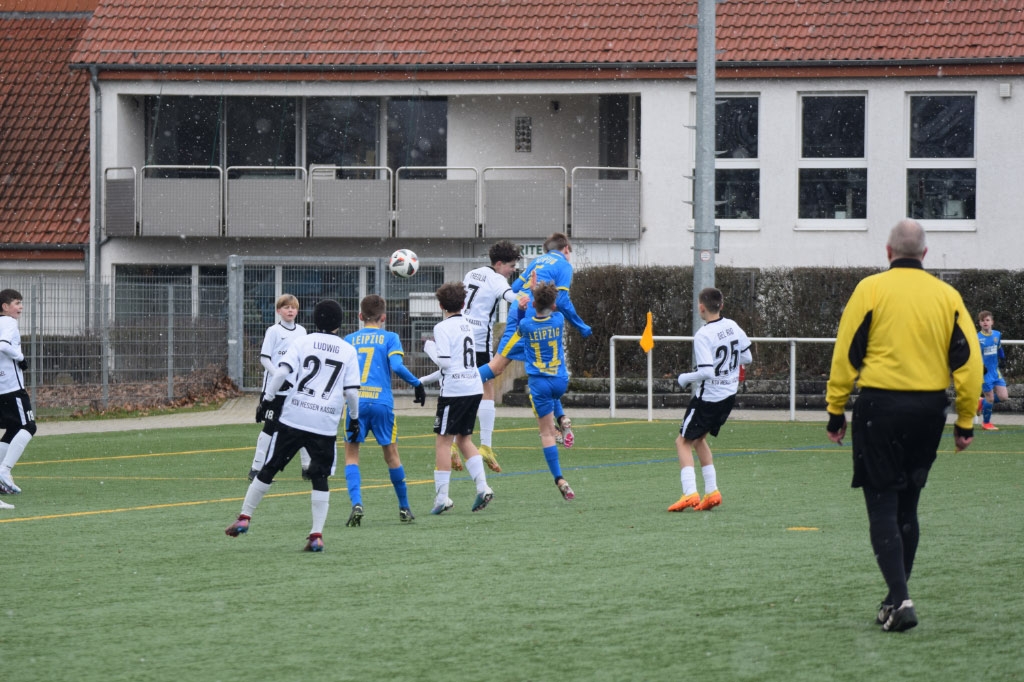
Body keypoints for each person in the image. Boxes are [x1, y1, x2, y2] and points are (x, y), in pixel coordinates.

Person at [825, 219, 982, 632]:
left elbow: (846, 354)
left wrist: (835, 410)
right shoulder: (947, 296)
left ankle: (901, 599)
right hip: (928, 410)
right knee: (908, 507)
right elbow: (968, 364)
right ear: (924, 254)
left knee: (882, 504)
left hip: (880, 407)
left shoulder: (870, 289)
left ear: (888, 252)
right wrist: (965, 421)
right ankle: (895, 600)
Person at [225, 299, 361, 552]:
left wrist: (266, 400)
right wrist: (354, 418)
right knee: (319, 477)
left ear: (315, 320)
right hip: (325, 423)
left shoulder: (303, 341)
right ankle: (316, 535)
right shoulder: (348, 350)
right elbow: (352, 392)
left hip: (294, 416)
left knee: (270, 467)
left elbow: (281, 373)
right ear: (340, 323)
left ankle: (245, 517)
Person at [483, 232, 592, 448]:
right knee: (540, 371)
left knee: (502, 368)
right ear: (566, 249)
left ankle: (460, 380)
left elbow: (515, 288)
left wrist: (529, 293)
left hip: (524, 312)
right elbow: (562, 300)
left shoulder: (538, 261)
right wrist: (581, 326)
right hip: (540, 317)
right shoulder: (564, 265)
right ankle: (559, 421)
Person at [341, 295, 427, 526]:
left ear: (360, 316)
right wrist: (416, 384)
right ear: (384, 317)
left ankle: (357, 503)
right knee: (391, 456)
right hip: (381, 403)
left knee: (352, 455)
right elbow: (396, 366)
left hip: (356, 403)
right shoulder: (390, 337)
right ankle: (404, 507)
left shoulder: (349, 340)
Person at [667, 287, 752, 514]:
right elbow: (747, 357)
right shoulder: (732, 325)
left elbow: (706, 372)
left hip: (709, 398)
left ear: (701, 307)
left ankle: (689, 493)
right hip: (728, 396)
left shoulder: (703, 335)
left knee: (682, 442)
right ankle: (712, 491)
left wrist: (685, 378)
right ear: (721, 305)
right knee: (699, 440)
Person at [422, 281, 494, 515]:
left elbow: (444, 362)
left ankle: (442, 498)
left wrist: (429, 348)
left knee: (443, 442)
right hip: (473, 387)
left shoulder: (442, 327)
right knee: (464, 439)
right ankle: (483, 487)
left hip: (455, 391)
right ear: (463, 304)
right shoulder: (468, 325)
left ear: (441, 305)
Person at [451, 239, 522, 473]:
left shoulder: (472, 273)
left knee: (461, 386)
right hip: (479, 339)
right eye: (510, 266)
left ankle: (452, 442)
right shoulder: (497, 279)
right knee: (485, 386)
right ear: (499, 263)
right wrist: (529, 296)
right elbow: (511, 297)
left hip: (460, 334)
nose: (512, 271)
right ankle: (486, 445)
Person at [503, 281, 576, 500]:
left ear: (533, 304)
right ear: (553, 305)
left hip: (539, 382)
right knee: (554, 395)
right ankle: (563, 419)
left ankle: (559, 478)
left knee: (546, 433)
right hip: (560, 379)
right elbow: (554, 306)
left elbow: (517, 328)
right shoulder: (559, 319)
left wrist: (520, 309)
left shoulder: (526, 324)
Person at [248, 294, 310, 481]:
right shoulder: (273, 331)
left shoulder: (302, 332)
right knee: (270, 427)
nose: (290, 310)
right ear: (278, 311)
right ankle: (256, 468)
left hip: (295, 390)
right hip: (274, 390)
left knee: (303, 426)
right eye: (286, 307)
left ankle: (307, 468)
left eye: (293, 307)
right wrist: (278, 377)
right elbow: (264, 358)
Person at [0, 289, 36, 497]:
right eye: (16, 303)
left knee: (13, 428)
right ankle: (4, 470)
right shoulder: (8, 323)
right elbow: (3, 346)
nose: (20, 307)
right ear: (5, 307)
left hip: (2, 388)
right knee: (29, 426)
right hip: (12, 388)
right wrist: (21, 358)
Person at [977, 310, 1008, 431]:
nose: (985, 322)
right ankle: (986, 423)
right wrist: (979, 366)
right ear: (979, 323)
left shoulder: (997, 334)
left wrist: (1003, 358)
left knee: (1003, 396)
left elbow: (999, 348)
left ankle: (981, 403)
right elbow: (974, 355)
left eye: (987, 320)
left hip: (995, 371)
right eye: (982, 320)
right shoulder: (977, 338)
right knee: (990, 398)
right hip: (984, 373)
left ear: (992, 322)